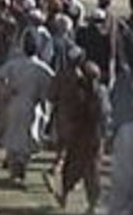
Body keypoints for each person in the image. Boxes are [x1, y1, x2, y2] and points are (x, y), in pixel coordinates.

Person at [45, 61, 107, 213]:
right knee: (90, 171)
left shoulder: (81, 93)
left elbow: (74, 113)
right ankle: (89, 202)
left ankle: (67, 196)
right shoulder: (100, 92)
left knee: (77, 168)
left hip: (82, 136)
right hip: (93, 137)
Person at [0, 35, 55, 185]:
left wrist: (6, 90)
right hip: (31, 105)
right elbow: (53, 82)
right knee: (26, 136)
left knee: (16, 135)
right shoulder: (41, 67)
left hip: (16, 102)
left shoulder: (14, 64)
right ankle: (18, 169)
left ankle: (16, 169)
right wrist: (42, 95)